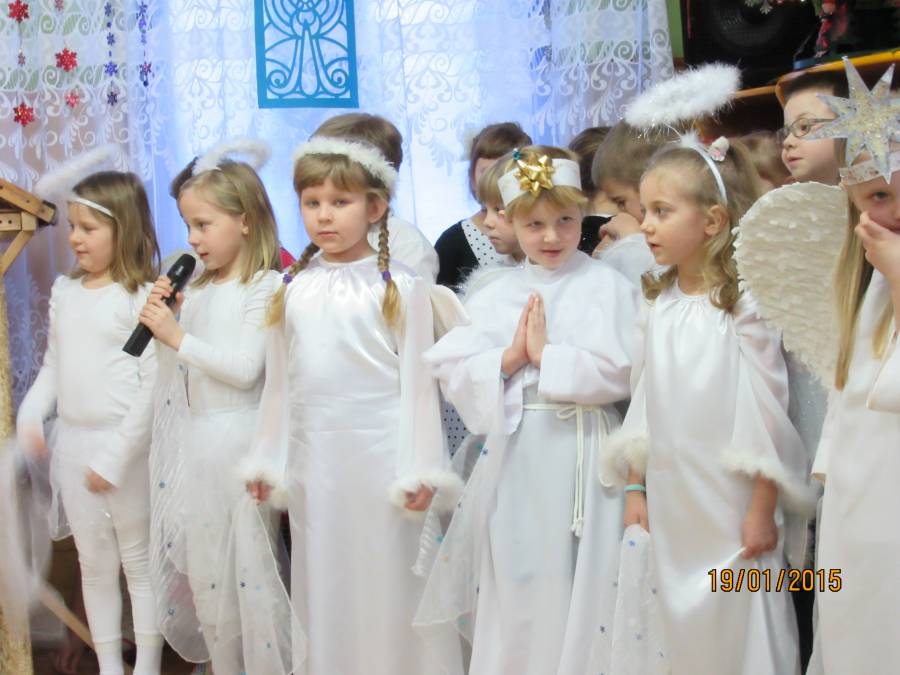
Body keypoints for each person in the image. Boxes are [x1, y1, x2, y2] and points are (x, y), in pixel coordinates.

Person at [17, 170, 163, 675]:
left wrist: (117, 456)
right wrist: (30, 414)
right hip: (75, 446)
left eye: (89, 228)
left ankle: (146, 667)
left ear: (124, 229)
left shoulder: (141, 296)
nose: (75, 238)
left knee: (137, 564)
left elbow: (152, 386)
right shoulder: (66, 291)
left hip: (126, 448)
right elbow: (53, 366)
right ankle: (108, 666)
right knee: (93, 566)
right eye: (72, 227)